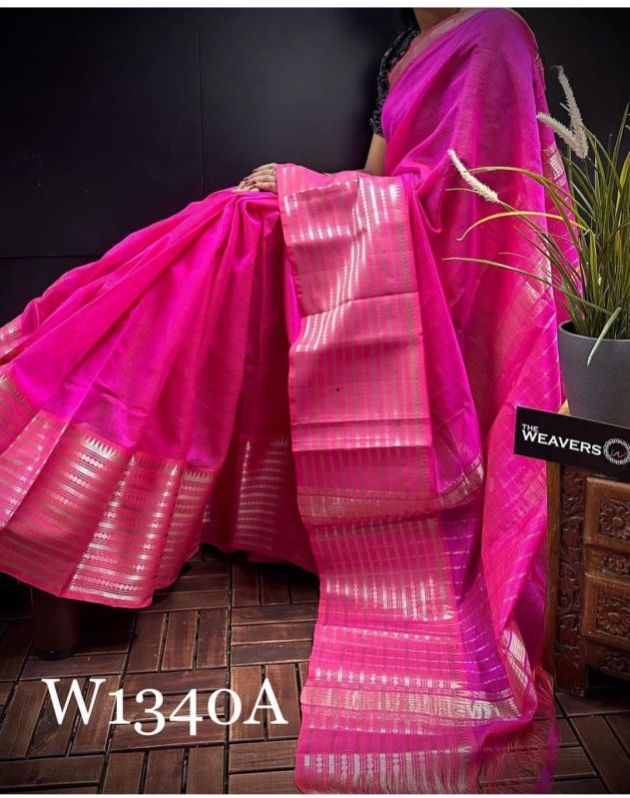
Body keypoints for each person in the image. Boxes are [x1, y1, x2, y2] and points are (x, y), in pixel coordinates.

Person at [0, 7, 573, 793]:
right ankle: (44, 431)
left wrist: (301, 194)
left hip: (441, 283)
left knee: (226, 230)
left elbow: (465, 202)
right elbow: (377, 180)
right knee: (215, 237)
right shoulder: (404, 51)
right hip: (380, 245)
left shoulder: (493, 34)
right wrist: (309, 194)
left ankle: (44, 450)